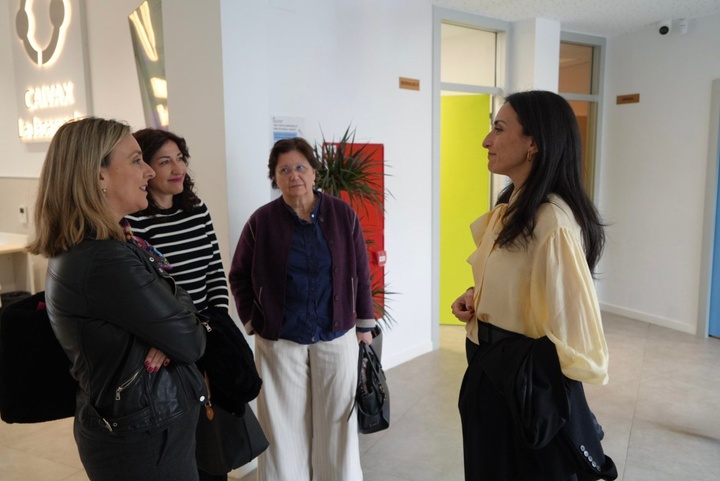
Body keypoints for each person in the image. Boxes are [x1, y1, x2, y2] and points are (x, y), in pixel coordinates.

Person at [28, 117, 208, 481]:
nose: (148, 172)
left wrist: (171, 327)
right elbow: (191, 340)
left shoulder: (113, 245)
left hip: (144, 431)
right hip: (143, 443)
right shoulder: (103, 260)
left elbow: (180, 314)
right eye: (136, 160)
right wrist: (173, 328)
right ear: (99, 176)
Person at [450, 91, 615, 480]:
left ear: (533, 144)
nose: (487, 141)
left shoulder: (551, 222)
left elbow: (577, 333)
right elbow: (522, 284)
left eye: (499, 129)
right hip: (490, 373)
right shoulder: (514, 208)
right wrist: (477, 298)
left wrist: (529, 380)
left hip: (519, 388)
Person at [228, 137, 375, 481]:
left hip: (336, 334)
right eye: (284, 170)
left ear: (314, 172)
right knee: (282, 427)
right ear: (275, 178)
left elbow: (360, 269)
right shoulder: (261, 221)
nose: (293, 175)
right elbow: (239, 275)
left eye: (300, 167)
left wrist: (364, 323)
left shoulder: (342, 214)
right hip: (280, 338)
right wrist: (253, 321)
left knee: (338, 423)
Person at [125, 128, 233, 481]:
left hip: (205, 335)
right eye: (165, 161)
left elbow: (215, 270)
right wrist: (177, 336)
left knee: (213, 437)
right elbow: (149, 293)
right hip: (169, 344)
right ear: (146, 168)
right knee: (182, 442)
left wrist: (214, 322)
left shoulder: (196, 209)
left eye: (180, 158)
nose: (178, 168)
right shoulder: (133, 221)